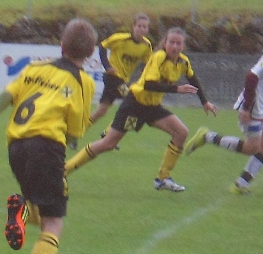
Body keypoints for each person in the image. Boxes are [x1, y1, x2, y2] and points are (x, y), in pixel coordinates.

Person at [0, 18, 98, 254]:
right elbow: (76, 129)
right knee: (54, 222)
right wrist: (70, 138)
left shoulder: (35, 68)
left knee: (42, 209)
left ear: (61, 45)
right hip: (47, 148)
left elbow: (4, 96)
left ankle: (22, 212)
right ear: (90, 54)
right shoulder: (83, 82)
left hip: (16, 147)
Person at [65, 27, 218, 192]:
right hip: (135, 106)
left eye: (178, 43)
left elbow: (192, 78)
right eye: (171, 42)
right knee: (108, 143)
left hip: (152, 108)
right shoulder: (159, 57)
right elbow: (149, 84)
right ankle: (64, 171)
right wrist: (177, 89)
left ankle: (162, 178)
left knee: (181, 132)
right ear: (165, 43)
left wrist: (205, 102)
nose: (174, 46)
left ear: (183, 46)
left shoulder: (183, 62)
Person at [184, 21, 263, 194]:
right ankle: (207, 137)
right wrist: (246, 107)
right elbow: (251, 77)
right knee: (252, 148)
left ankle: (240, 185)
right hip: (253, 105)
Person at [90, 13, 152, 124]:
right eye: (139, 26)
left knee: (101, 111)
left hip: (123, 80)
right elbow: (102, 46)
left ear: (147, 30)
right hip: (112, 77)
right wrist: (107, 66)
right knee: (132, 101)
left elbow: (147, 64)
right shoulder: (121, 38)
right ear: (133, 26)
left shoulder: (146, 45)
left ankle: (78, 129)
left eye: (144, 27)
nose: (141, 29)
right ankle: (113, 132)